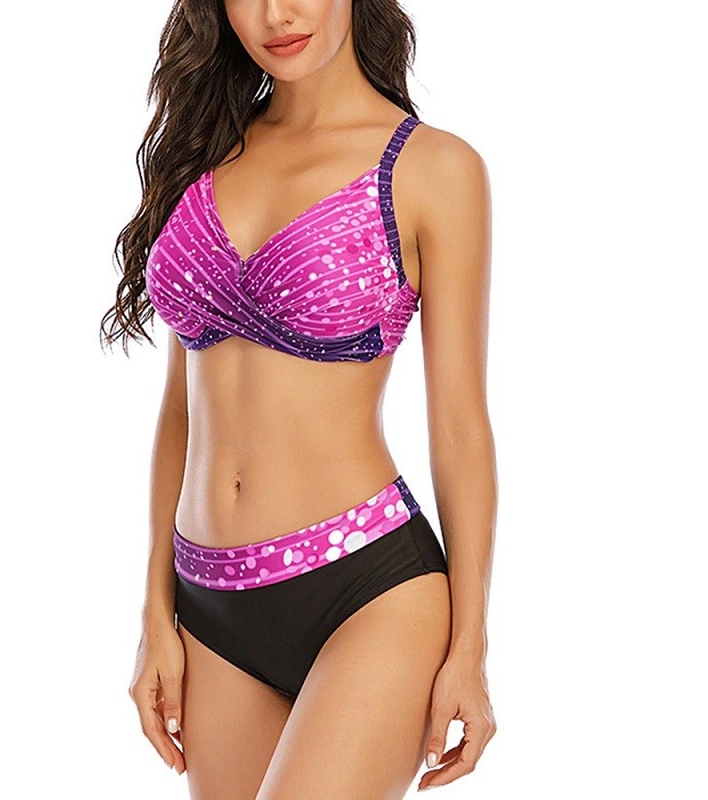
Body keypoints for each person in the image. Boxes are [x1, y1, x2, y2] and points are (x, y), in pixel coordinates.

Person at [100, 1, 497, 796]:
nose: (276, 14)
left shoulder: (433, 169)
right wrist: (154, 609)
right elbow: (181, 408)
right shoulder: (205, 152)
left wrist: (471, 645)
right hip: (210, 608)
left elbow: (459, 425)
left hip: (367, 591)